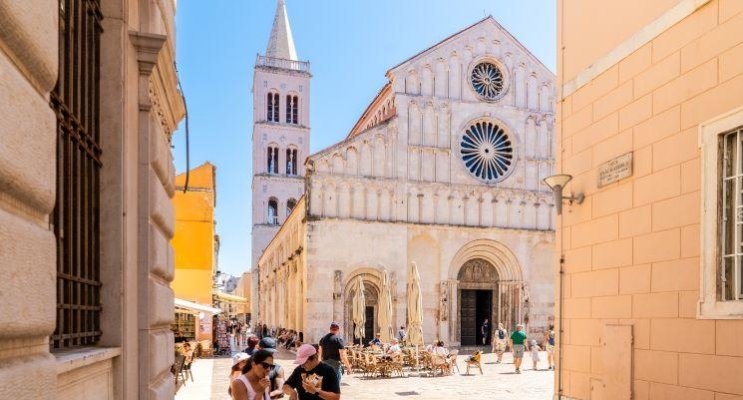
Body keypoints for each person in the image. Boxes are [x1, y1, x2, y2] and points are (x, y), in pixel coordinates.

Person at [318, 322, 352, 386]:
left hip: (325, 364)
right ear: (338, 330)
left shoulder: (322, 339)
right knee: (335, 386)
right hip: (335, 365)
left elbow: (320, 353)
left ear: (330, 329)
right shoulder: (338, 340)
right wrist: (348, 368)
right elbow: (343, 356)